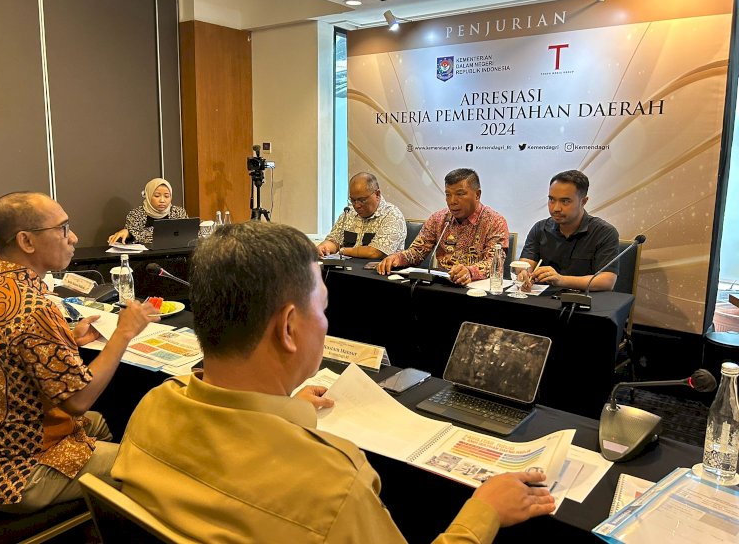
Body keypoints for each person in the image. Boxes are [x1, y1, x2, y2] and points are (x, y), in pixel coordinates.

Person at [112, 222, 554, 543]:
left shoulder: (151, 409)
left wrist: (289, 406)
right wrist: (484, 512)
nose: (325, 322)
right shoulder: (333, 486)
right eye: (321, 307)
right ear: (289, 329)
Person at [0, 192, 157, 512]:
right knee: (150, 466)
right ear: (27, 241)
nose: (73, 237)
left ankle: (98, 507)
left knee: (100, 423)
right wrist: (124, 332)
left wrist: (68, 342)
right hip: (17, 473)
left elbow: (9, 359)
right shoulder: (34, 309)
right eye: (63, 229)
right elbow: (78, 401)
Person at [377, 168, 509, 286]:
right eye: (448, 194)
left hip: (476, 290)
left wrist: (469, 271)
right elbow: (417, 252)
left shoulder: (495, 222)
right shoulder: (438, 219)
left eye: (460, 194)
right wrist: (398, 258)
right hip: (443, 287)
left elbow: (494, 264)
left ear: (477, 195)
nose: (452, 201)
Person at [519, 170, 619, 291]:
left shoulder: (604, 233)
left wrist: (560, 280)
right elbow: (525, 264)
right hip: (542, 301)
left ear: (583, 201)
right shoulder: (540, 228)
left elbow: (607, 281)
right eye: (551, 200)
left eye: (565, 201)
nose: (556, 208)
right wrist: (524, 272)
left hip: (583, 303)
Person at [317, 172, 406, 259]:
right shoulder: (348, 213)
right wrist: (324, 247)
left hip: (376, 271)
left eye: (362, 200)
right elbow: (334, 241)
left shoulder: (392, 215)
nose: (357, 205)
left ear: (377, 194)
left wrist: (343, 251)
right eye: (353, 200)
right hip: (346, 270)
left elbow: (375, 252)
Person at [107, 178, 188, 245]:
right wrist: (130, 235)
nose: (162, 200)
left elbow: (189, 234)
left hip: (175, 254)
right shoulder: (136, 214)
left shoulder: (178, 212)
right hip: (146, 258)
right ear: (148, 195)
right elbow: (131, 238)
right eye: (157, 196)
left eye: (167, 196)